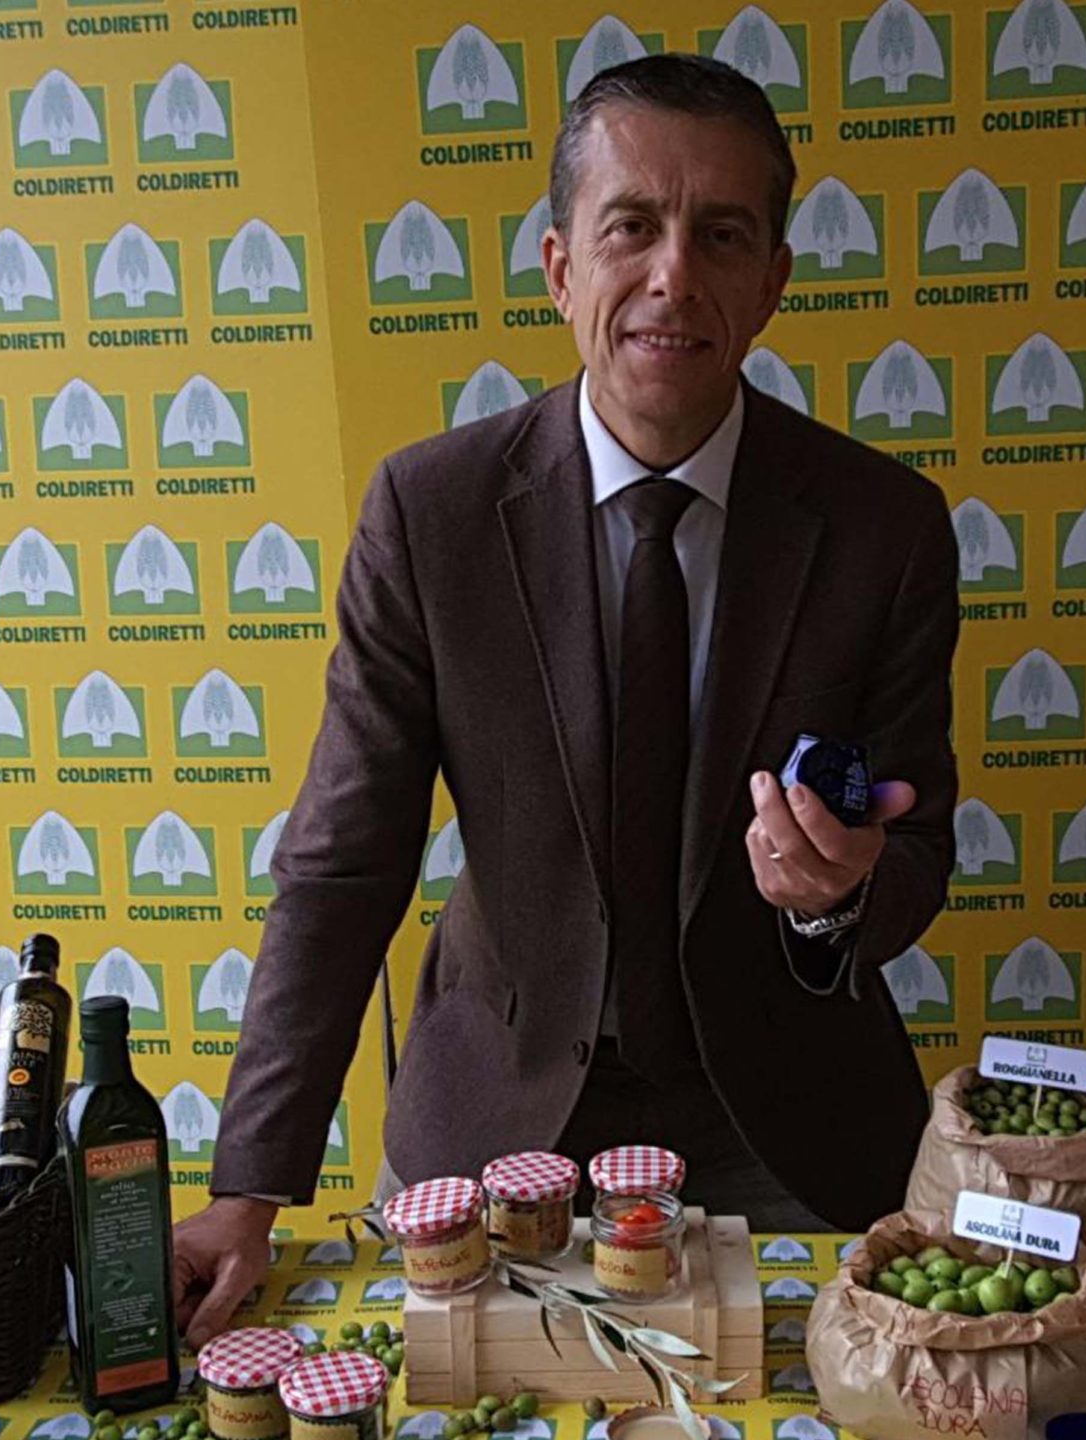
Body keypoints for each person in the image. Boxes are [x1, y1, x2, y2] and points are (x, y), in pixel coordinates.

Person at [174, 53, 958, 1342]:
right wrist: (247, 1188)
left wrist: (837, 897)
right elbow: (343, 864)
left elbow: (916, 849)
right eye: (631, 227)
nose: (673, 277)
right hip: (499, 1112)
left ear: (773, 282)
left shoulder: (885, 528)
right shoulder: (431, 514)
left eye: (721, 236)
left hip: (787, 1128)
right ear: (559, 267)